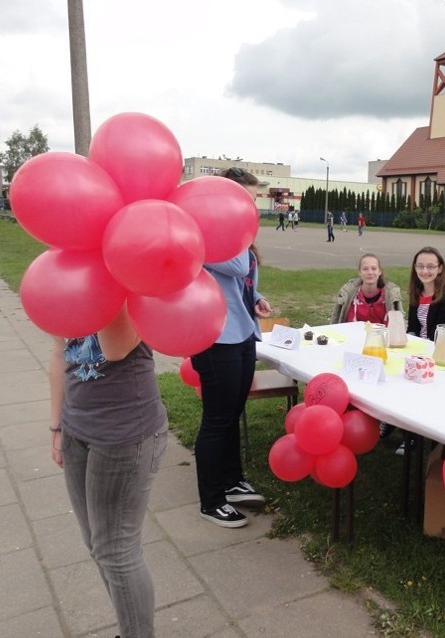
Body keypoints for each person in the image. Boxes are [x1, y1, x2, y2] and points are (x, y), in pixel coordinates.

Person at [50, 306, 168, 637]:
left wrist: (100, 282)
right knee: (97, 545)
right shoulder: (67, 284)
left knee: (116, 551)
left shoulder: (130, 286)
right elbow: (60, 354)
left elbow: (114, 349)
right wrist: (56, 426)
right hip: (76, 428)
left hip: (125, 436)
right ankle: (130, 627)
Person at [192, 167, 272, 528]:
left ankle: (232, 481)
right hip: (215, 338)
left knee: (233, 412)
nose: (250, 207)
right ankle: (211, 500)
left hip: (241, 333)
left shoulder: (238, 234)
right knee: (217, 419)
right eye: (245, 199)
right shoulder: (207, 235)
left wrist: (257, 298)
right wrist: (240, 230)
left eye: (253, 200)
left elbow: (245, 277)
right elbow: (238, 264)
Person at [331, 253, 403, 324]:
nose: (370, 272)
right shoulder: (347, 293)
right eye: (365, 269)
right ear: (359, 272)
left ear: (380, 271)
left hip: (383, 335)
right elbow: (335, 320)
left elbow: (400, 325)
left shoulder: (391, 294)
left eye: (374, 268)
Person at [407, 246, 445, 340]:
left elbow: (443, 338)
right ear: (415, 268)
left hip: (436, 349)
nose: (425, 271)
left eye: (430, 266)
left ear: (439, 269)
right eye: (420, 266)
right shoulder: (416, 294)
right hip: (416, 349)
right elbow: (412, 329)